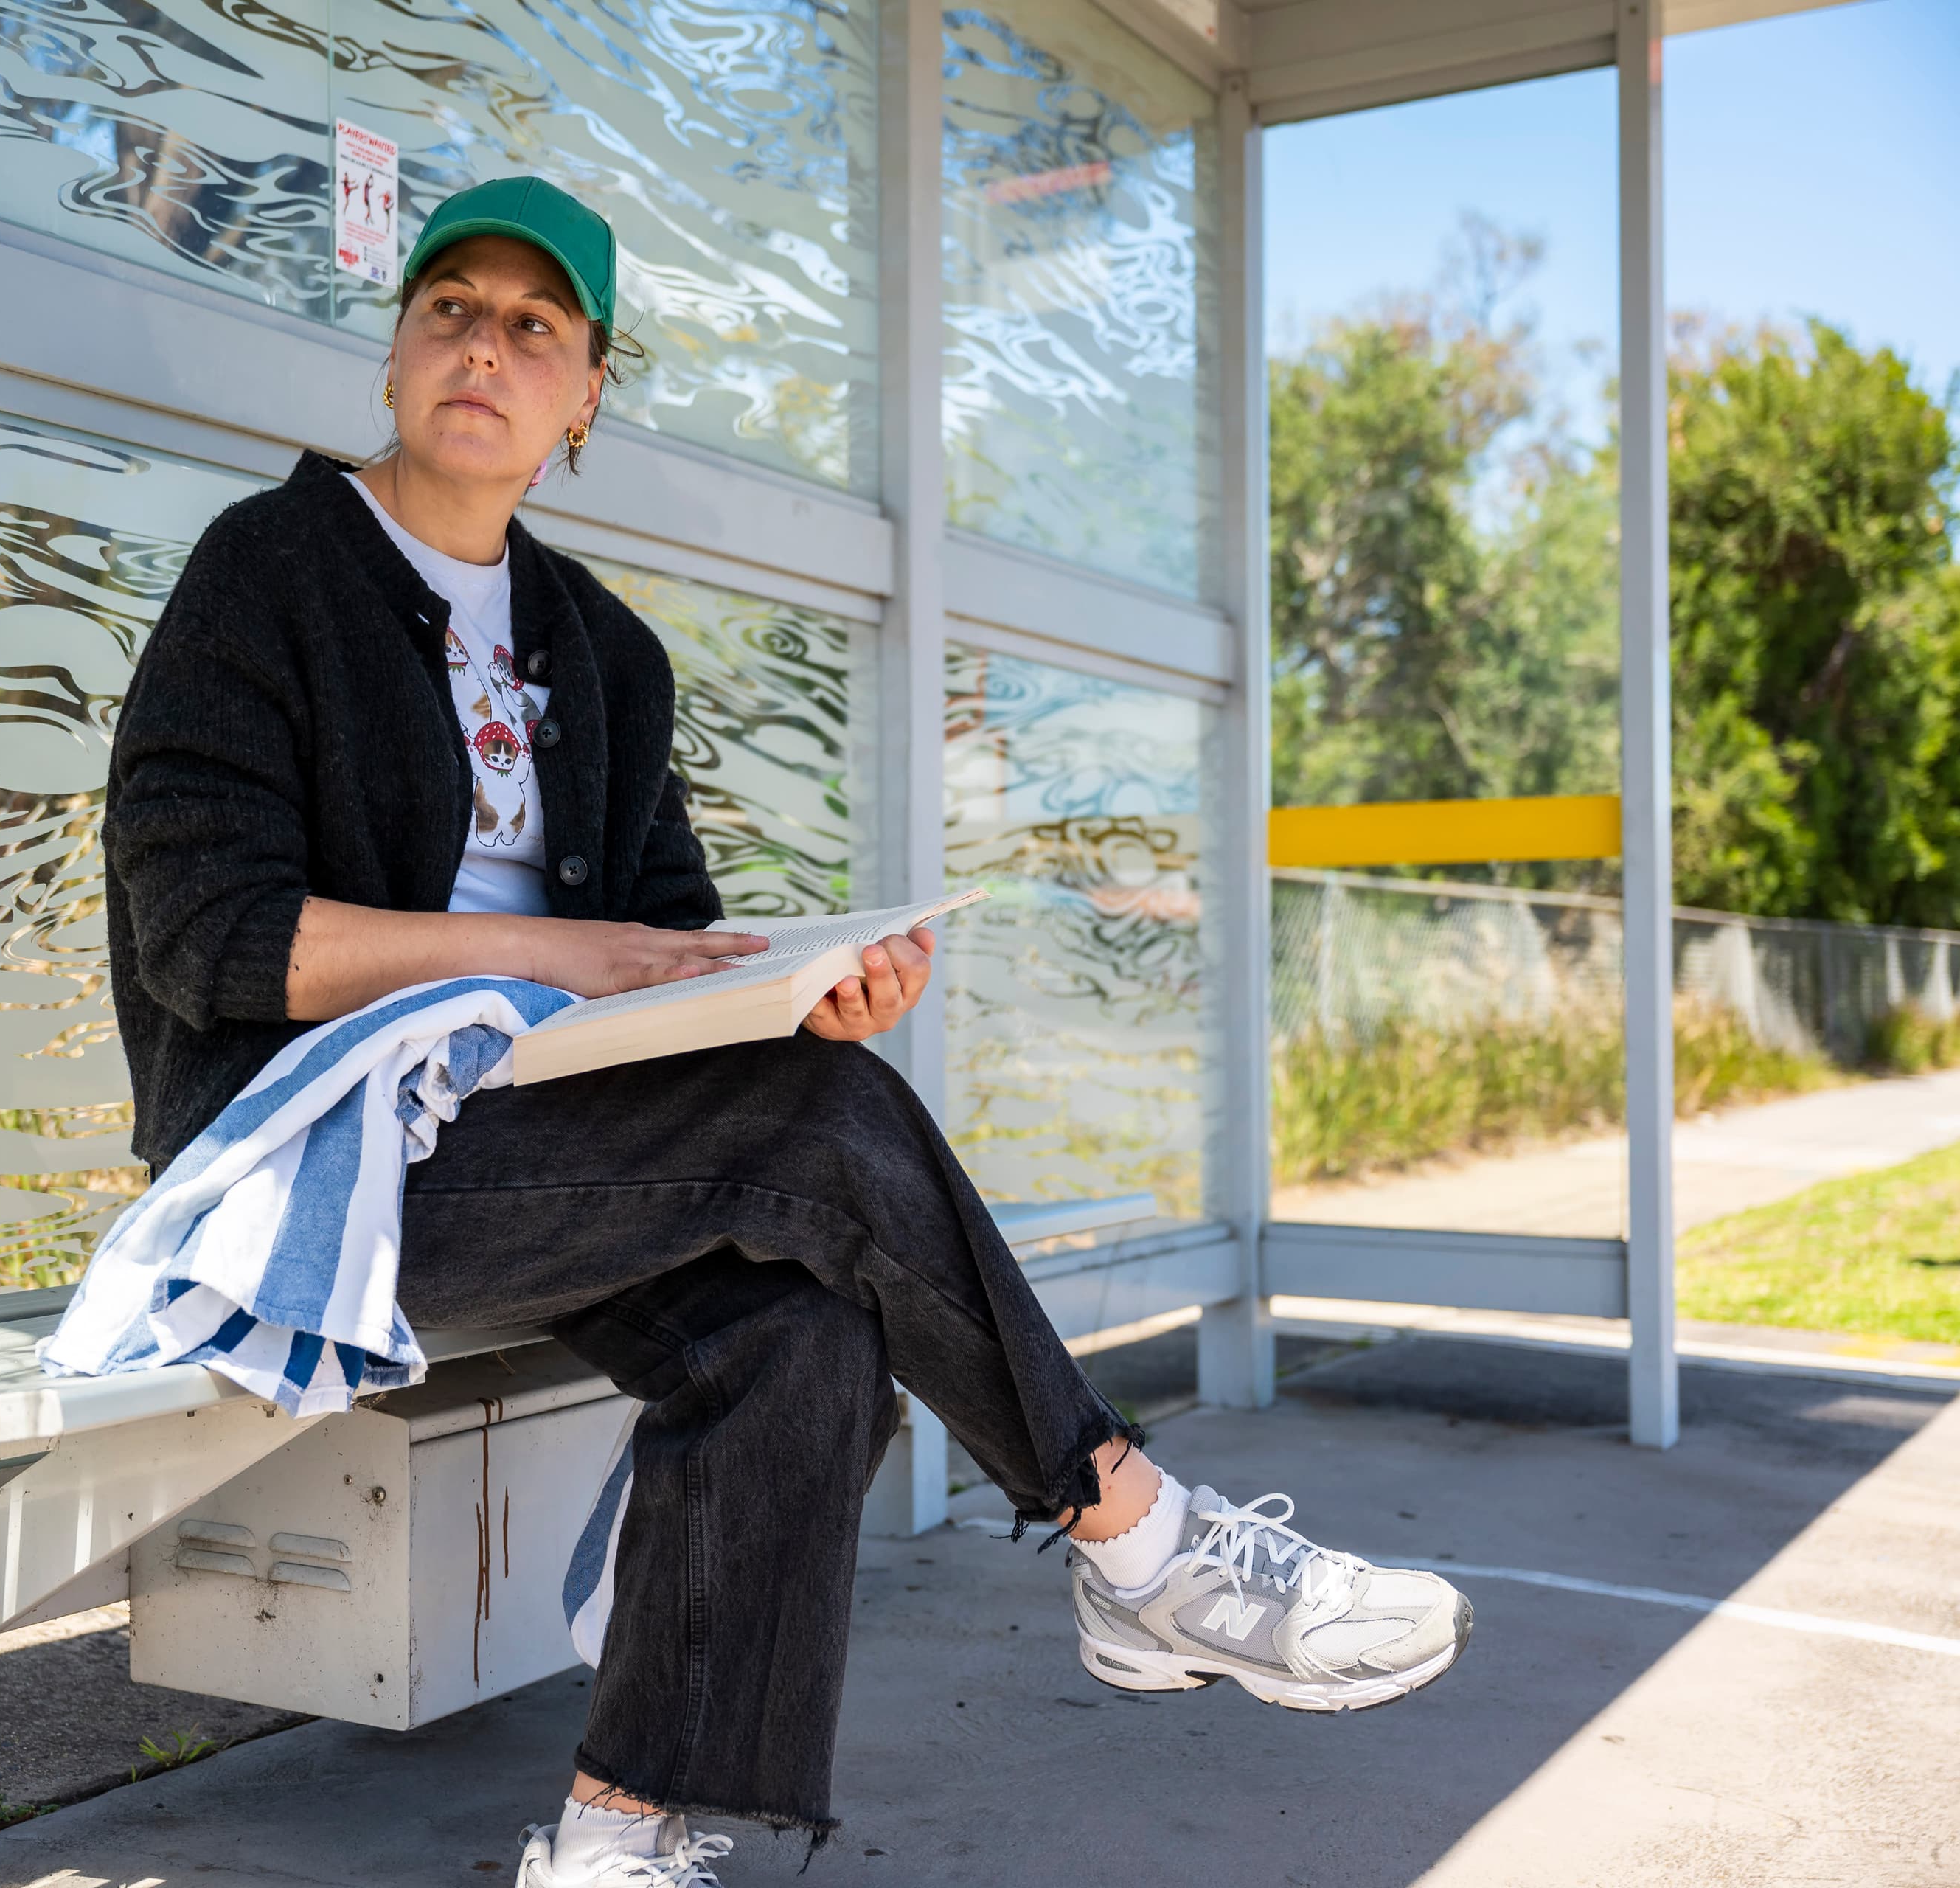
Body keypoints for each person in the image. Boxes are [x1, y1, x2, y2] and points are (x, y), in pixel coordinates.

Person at [101, 176, 1473, 1887]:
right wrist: (573, 960)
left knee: (802, 1304)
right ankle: (1135, 1533)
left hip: (562, 1149)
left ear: (588, 394)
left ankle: (614, 1836)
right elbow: (204, 936)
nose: (487, 345)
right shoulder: (271, 573)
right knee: (817, 1132)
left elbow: (667, 950)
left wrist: (787, 991)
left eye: (539, 326)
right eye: (452, 306)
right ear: (394, 354)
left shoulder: (601, 651)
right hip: (321, 1164)